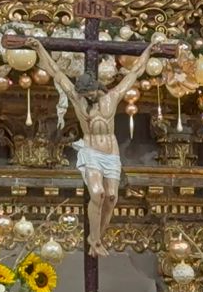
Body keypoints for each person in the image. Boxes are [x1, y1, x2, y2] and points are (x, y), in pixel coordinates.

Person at [29, 37, 165, 255]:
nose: (87, 97)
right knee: (97, 193)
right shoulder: (79, 100)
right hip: (91, 151)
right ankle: (95, 240)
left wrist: (148, 50)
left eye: (89, 93)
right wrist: (38, 48)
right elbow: (56, 72)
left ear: (95, 87)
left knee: (111, 197)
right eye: (84, 95)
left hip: (111, 153)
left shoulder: (112, 98)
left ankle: (96, 238)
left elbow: (135, 72)